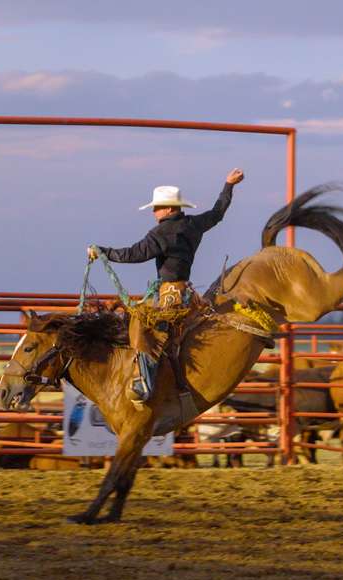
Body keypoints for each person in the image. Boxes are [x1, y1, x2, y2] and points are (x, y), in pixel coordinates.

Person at [87, 169, 245, 404]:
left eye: (157, 207)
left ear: (170, 208)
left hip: (169, 293)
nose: (154, 212)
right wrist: (228, 185)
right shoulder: (193, 224)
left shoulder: (161, 233)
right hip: (186, 292)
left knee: (143, 328)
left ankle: (145, 382)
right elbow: (217, 213)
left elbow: (134, 254)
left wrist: (102, 252)